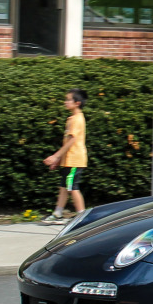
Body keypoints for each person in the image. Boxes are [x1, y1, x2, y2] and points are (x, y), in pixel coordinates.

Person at [40, 88, 88, 225]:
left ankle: (82, 218)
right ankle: (58, 213)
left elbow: (72, 140)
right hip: (68, 160)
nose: (65, 102)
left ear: (77, 102)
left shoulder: (77, 119)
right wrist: (60, 159)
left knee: (72, 187)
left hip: (75, 160)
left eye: (68, 99)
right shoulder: (72, 118)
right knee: (64, 186)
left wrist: (55, 156)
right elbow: (68, 142)